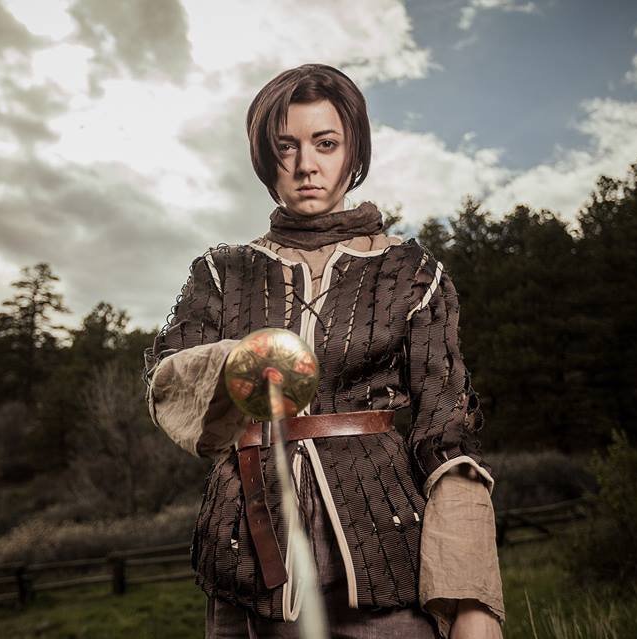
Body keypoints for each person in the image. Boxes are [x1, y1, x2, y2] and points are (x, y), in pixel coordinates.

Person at [144, 64, 505, 639]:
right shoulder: (220, 271)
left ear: (353, 150)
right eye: (286, 146)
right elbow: (171, 387)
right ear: (265, 158)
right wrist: (246, 360)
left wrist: (472, 599)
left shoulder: (412, 272)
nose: (305, 165)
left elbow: (446, 434)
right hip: (250, 556)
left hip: (386, 549)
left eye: (325, 143)